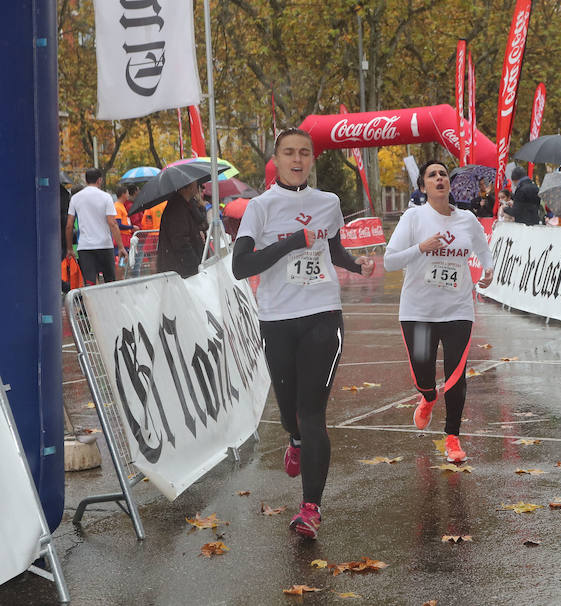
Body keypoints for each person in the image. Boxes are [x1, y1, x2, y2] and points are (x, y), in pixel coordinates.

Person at [231, 127, 374, 539]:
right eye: (289, 153)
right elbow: (242, 267)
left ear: (312, 160)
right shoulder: (260, 208)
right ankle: (293, 439)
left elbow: (332, 250)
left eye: (305, 153)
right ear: (275, 161)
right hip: (277, 318)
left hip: (322, 315)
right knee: (289, 409)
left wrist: (356, 264)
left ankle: (311, 508)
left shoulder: (328, 202)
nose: (297, 160)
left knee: (313, 414)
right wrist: (294, 241)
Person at [383, 160, 494, 464]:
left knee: (457, 377)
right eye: (432, 175)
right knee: (423, 372)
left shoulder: (467, 220)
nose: (439, 178)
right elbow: (390, 261)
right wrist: (421, 247)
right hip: (418, 312)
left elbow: (484, 250)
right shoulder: (414, 218)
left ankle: (453, 437)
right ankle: (428, 396)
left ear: (449, 183)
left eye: (443, 174)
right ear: (424, 187)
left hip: (458, 310)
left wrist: (489, 270)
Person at [65, 168, 126, 285]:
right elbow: (112, 224)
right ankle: (109, 302)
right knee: (110, 281)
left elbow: (69, 225)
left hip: (85, 247)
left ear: (86, 180)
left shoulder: (75, 198)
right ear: (99, 180)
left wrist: (69, 249)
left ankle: (92, 303)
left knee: (90, 282)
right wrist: (121, 247)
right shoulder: (106, 197)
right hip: (105, 245)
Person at [156, 181, 209, 278]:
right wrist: (194, 266)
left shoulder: (187, 205)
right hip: (180, 272)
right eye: (194, 182)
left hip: (183, 269)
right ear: (186, 187)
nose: (198, 184)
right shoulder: (177, 208)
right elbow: (180, 241)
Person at [114, 185, 137, 251]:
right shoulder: (117, 207)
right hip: (122, 237)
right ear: (123, 194)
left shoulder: (121, 206)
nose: (128, 195)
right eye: (127, 193)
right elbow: (118, 225)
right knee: (122, 259)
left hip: (125, 237)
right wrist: (132, 227)